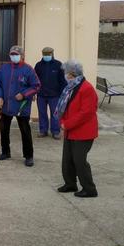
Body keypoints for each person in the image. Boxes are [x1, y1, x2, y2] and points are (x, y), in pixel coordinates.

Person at [55, 60, 99, 198]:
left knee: (79, 161)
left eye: (66, 73)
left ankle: (89, 189)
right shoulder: (71, 87)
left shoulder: (86, 88)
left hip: (83, 132)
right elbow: (64, 107)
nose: (65, 75)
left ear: (72, 73)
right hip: (71, 130)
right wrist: (63, 122)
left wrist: (67, 124)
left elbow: (86, 113)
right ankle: (70, 184)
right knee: (67, 159)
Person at [0, 45, 41, 167]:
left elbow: (36, 86)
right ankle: (6, 152)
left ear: (22, 55)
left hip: (22, 107)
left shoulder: (28, 69)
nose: (14, 56)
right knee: (4, 129)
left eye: (16, 54)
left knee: (25, 131)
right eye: (12, 54)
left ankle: (29, 156)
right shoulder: (4, 68)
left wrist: (24, 94)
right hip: (6, 105)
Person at [34, 46, 66, 139]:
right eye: (44, 54)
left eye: (48, 54)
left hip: (54, 95)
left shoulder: (58, 65)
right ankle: (43, 130)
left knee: (55, 114)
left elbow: (63, 81)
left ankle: (55, 131)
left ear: (52, 54)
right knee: (42, 113)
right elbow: (34, 79)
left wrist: (61, 94)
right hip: (41, 95)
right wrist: (35, 92)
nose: (46, 56)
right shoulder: (38, 65)